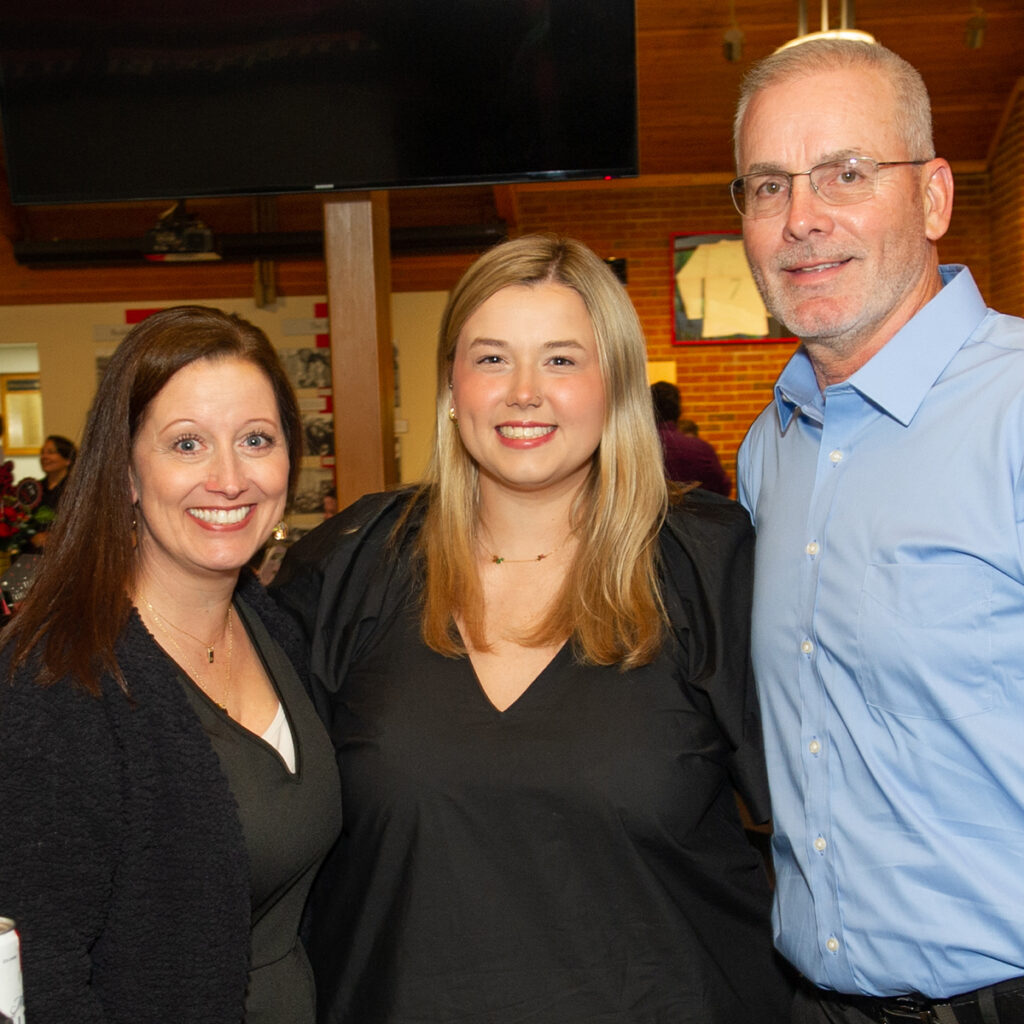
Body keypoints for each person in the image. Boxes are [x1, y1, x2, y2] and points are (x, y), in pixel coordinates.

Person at [271, 234, 792, 1023]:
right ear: (451, 386)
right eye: (490, 359)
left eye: (560, 360)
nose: (524, 392)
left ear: (615, 385)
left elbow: (834, 805)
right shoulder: (352, 563)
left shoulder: (709, 564)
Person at [732, 37, 1024, 1024]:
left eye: (844, 174)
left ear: (934, 198)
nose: (800, 219)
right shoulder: (768, 449)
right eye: (767, 187)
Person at [0, 306, 342, 1024]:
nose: (228, 478)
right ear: (124, 472)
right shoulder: (59, 681)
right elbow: (47, 975)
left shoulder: (274, 627)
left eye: (256, 439)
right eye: (187, 444)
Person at [650, 380, 731, 494]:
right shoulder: (701, 449)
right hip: (697, 510)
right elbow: (722, 487)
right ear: (679, 411)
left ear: (648, 410)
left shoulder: (633, 450)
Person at [22, 434, 76, 551]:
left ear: (68, 460)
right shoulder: (33, 489)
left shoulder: (77, 490)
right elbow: (21, 523)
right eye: (42, 452)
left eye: (51, 452)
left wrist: (56, 537)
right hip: (32, 556)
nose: (44, 457)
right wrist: (32, 537)